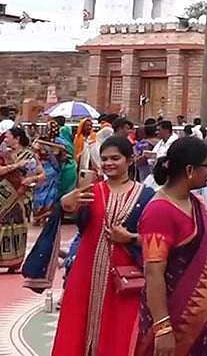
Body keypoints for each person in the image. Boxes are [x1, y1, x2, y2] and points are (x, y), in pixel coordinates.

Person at [45, 135, 155, 356]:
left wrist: (130, 237)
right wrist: (66, 205)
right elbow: (76, 221)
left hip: (124, 276)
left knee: (120, 330)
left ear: (130, 160)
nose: (108, 163)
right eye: (104, 159)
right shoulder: (90, 192)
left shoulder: (146, 196)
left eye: (115, 158)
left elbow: (156, 240)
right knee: (79, 326)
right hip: (86, 272)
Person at [135, 136, 207, 355]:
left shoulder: (196, 203)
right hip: (178, 319)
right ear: (190, 169)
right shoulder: (159, 212)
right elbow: (153, 273)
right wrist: (163, 327)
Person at [0, 126, 36, 272]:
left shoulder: (29, 155)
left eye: (8, 137)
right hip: (5, 195)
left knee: (17, 228)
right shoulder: (5, 155)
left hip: (20, 196)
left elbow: (41, 175)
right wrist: (16, 166)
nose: (5, 139)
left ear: (17, 139)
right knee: (3, 227)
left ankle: (15, 263)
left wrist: (31, 180)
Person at [30, 120, 69, 225]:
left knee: (42, 193)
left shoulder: (44, 141)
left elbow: (33, 151)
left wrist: (44, 143)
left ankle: (40, 217)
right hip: (50, 170)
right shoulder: (59, 141)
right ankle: (43, 217)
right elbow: (64, 154)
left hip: (45, 169)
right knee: (48, 194)